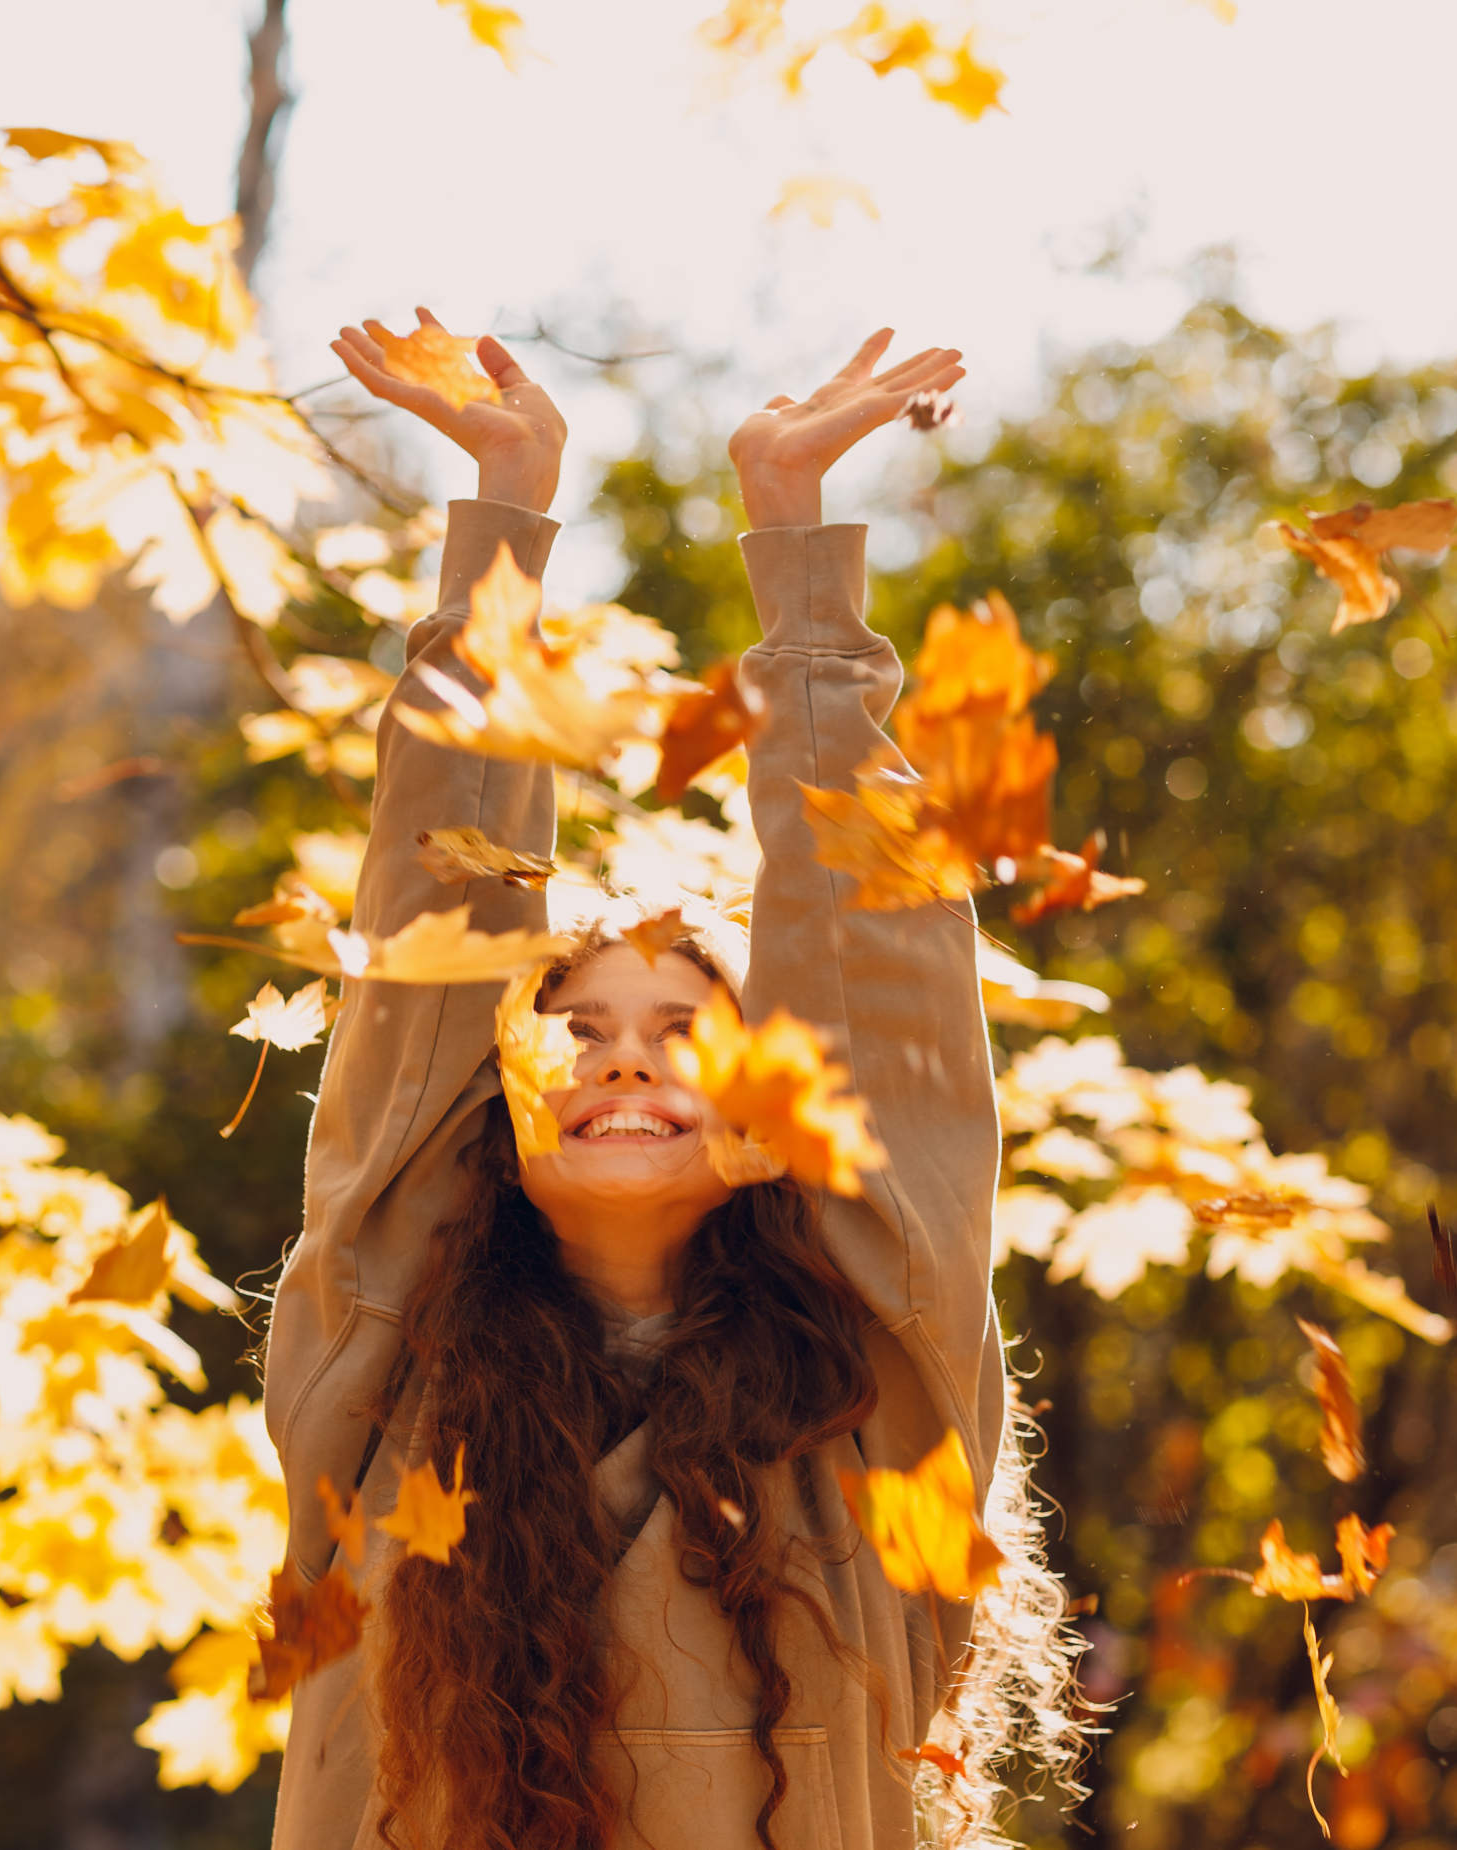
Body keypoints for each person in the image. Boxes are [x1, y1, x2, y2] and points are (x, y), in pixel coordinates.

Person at [261, 308, 1082, 1850]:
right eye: (572, 1025)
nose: (625, 1049)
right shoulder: (378, 1391)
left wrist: (802, 561)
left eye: (679, 1026)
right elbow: (426, 971)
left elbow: (888, 999)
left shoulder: (870, 1410)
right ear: (494, 1108)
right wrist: (503, 524)